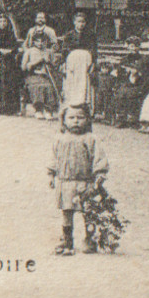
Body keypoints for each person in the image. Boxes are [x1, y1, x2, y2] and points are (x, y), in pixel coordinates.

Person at [48, 104, 109, 255]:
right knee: (66, 212)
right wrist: (51, 174)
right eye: (71, 117)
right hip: (65, 182)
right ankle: (67, 240)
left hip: (85, 182)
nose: (76, 121)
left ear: (87, 120)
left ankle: (90, 239)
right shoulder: (59, 139)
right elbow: (54, 158)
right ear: (63, 120)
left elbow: (99, 158)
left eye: (80, 117)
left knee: (88, 212)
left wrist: (99, 175)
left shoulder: (91, 139)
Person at [22, 12, 61, 118]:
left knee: (49, 86)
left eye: (42, 17)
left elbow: (55, 47)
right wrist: (29, 53)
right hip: (33, 73)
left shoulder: (49, 31)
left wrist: (49, 55)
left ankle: (49, 110)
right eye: (38, 17)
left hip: (45, 73)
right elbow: (26, 45)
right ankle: (38, 109)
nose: (40, 19)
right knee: (38, 86)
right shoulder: (31, 31)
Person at [61, 12, 97, 110]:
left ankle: (84, 104)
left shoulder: (90, 35)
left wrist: (93, 63)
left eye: (83, 22)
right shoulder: (69, 35)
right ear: (74, 22)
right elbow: (64, 50)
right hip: (72, 62)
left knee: (84, 82)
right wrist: (64, 63)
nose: (81, 24)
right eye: (79, 21)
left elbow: (93, 50)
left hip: (85, 62)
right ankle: (72, 104)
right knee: (72, 82)